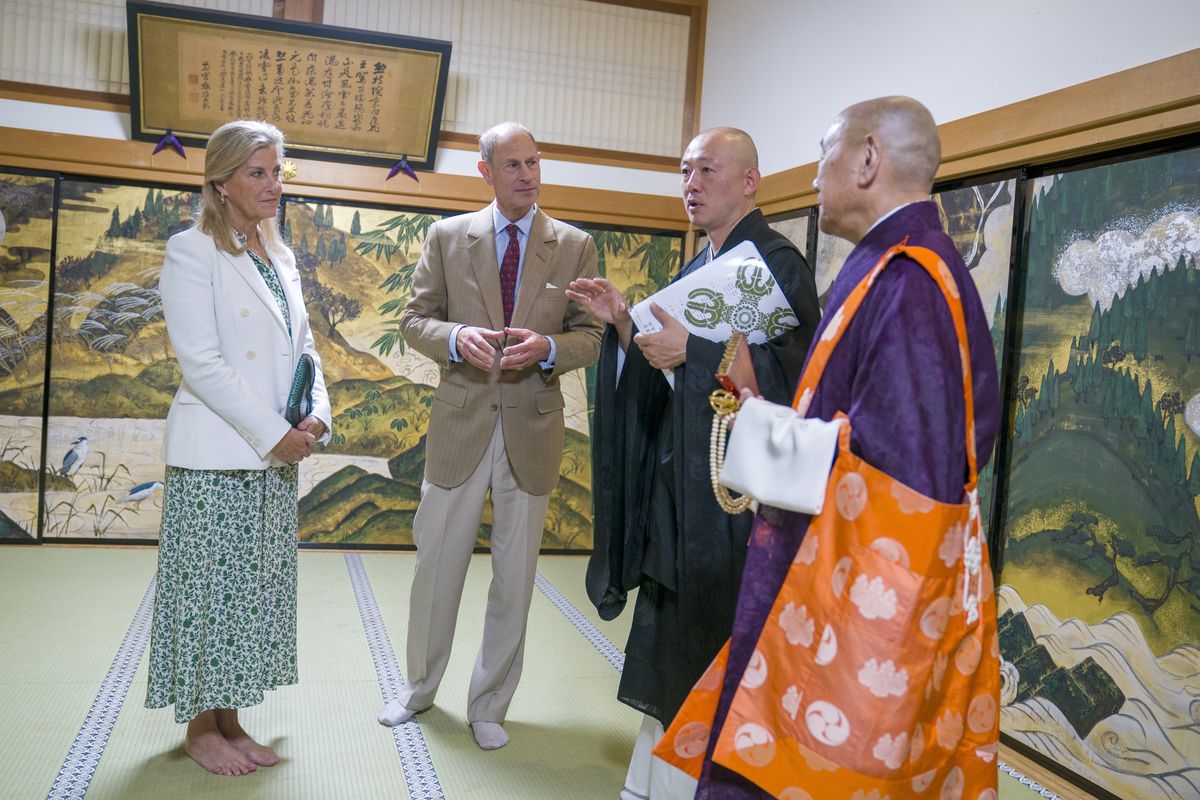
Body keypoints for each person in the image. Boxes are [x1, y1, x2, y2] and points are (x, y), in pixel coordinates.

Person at [657, 97, 1003, 799]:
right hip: (810, 560)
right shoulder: (888, 264)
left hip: (849, 595)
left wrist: (755, 425)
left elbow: (900, 476)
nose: (813, 177)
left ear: (869, 159)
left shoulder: (910, 281)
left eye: (824, 154)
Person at [568, 128, 820, 799]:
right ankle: (656, 784)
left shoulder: (778, 265)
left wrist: (698, 354)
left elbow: (794, 385)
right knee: (671, 641)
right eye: (684, 171)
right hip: (679, 498)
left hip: (734, 510)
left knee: (718, 651)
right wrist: (626, 325)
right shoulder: (698, 268)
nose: (691, 183)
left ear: (749, 182)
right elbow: (663, 366)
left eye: (707, 169)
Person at [376, 122, 603, 750]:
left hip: (533, 425)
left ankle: (490, 703)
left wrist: (552, 347)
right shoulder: (448, 236)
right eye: (513, 165)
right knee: (436, 567)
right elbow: (412, 319)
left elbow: (594, 334)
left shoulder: (575, 244)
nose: (527, 175)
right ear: (485, 171)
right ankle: (418, 690)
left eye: (534, 163)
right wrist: (455, 339)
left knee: (515, 573)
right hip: (460, 420)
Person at [146, 119, 331, 776]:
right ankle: (200, 727)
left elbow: (304, 349)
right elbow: (202, 363)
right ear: (221, 182)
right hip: (219, 455)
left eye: (277, 171)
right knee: (209, 594)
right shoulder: (191, 250)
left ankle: (230, 717)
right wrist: (273, 433)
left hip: (274, 456)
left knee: (249, 594)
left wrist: (314, 419)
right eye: (258, 172)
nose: (272, 184)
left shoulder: (278, 256)